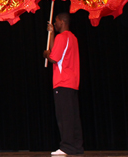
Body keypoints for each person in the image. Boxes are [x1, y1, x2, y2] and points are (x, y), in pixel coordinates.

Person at [43, 12, 84, 155]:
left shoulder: (62, 37)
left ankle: (66, 146)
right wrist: (52, 34)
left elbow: (53, 57)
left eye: (56, 21)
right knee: (73, 116)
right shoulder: (72, 38)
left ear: (62, 21)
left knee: (64, 116)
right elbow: (58, 51)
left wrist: (46, 54)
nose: (55, 23)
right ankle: (77, 146)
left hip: (62, 82)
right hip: (72, 82)